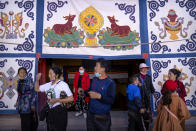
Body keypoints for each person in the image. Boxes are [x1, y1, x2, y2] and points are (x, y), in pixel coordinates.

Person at [35, 66, 73, 131]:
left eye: (51, 73)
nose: (49, 75)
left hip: (60, 111)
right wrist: (37, 80)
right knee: (50, 128)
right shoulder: (48, 85)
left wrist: (57, 100)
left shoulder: (63, 84)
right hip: (50, 112)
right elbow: (37, 89)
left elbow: (71, 98)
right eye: (49, 73)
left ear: (57, 75)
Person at [85, 58, 116, 131]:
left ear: (103, 69)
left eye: (96, 66)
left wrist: (99, 96)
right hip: (90, 115)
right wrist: (84, 92)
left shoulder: (111, 83)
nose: (94, 68)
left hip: (102, 118)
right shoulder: (94, 79)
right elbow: (90, 91)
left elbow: (111, 100)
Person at [136, 63, 157, 130]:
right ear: (140, 69)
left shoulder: (148, 77)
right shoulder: (136, 77)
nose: (145, 69)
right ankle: (140, 127)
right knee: (139, 113)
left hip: (147, 98)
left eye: (146, 68)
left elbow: (151, 86)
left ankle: (146, 127)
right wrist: (137, 85)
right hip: (139, 98)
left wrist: (154, 93)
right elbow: (132, 86)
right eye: (143, 68)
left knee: (147, 113)